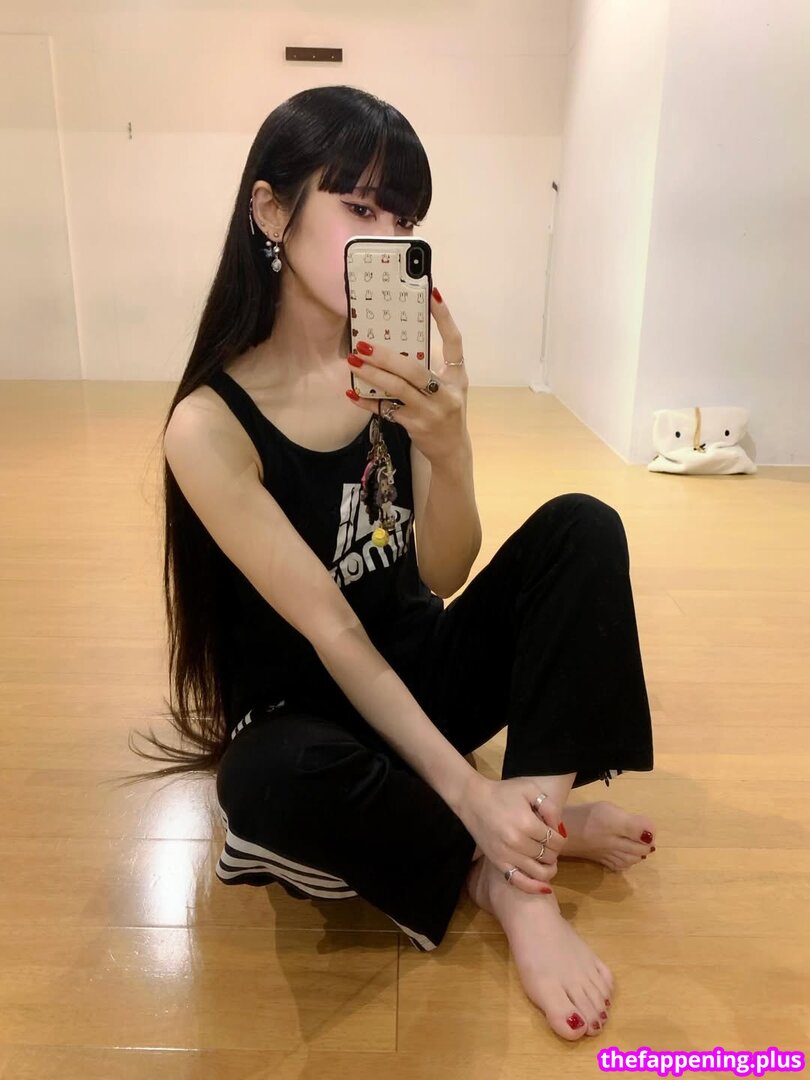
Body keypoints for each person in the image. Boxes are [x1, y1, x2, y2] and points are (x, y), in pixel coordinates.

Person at [127, 85, 656, 1044]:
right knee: (267, 780)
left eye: (403, 221)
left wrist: (449, 444)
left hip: (418, 674)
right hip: (310, 716)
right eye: (361, 209)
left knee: (583, 527)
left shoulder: (388, 372)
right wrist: (468, 790)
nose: (388, 239)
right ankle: (501, 854)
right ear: (271, 211)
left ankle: (523, 855)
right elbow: (332, 630)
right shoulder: (208, 427)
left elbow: (444, 572)